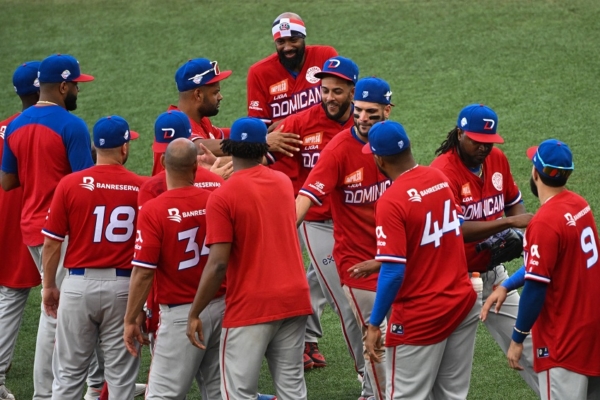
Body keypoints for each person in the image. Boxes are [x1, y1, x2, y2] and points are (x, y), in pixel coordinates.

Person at [187, 117, 312, 400]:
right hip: (294, 298)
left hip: (251, 305)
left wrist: (195, 311)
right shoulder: (281, 182)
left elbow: (218, 263)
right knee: (293, 389)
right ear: (262, 150)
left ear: (229, 149)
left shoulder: (222, 196)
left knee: (238, 393)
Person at [0, 53, 98, 400]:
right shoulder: (71, 126)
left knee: (60, 308)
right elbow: (86, 185)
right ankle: (46, 393)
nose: (77, 92)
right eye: (75, 86)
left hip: (31, 229)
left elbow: (8, 181)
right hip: (62, 232)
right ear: (62, 86)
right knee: (58, 314)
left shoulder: (16, 125)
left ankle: (97, 384)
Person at [361, 120, 479, 400]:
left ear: (379, 158)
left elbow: (394, 272)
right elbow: (437, 235)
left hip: (421, 315)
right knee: (452, 396)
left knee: (405, 396)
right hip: (462, 302)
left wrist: (375, 323)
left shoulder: (390, 201)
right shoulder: (438, 178)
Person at [246, 12, 337, 369]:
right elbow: (255, 125)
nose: (286, 47)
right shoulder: (260, 73)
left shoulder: (324, 55)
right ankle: (298, 340)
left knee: (316, 266)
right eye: (280, 42)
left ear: (304, 38)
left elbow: (336, 97)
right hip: (283, 177)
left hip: (321, 172)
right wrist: (269, 136)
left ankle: (307, 339)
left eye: (292, 40)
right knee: (291, 262)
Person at [273, 55, 371, 389]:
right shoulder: (301, 122)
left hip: (361, 223)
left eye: (337, 91)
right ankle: (366, 376)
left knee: (376, 296)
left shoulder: (366, 125)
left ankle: (307, 337)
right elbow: (264, 160)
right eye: (325, 90)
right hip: (317, 224)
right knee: (347, 301)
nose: (329, 97)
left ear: (353, 92)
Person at [296, 77, 396, 400]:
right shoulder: (338, 150)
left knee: (397, 325)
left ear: (387, 111)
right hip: (355, 261)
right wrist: (282, 238)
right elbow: (307, 196)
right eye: (359, 110)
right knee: (364, 324)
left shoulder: (392, 144)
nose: (363, 117)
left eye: (371, 111)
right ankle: (369, 387)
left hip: (390, 254)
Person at [429, 104, 538, 394]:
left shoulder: (496, 159)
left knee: (532, 346)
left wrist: (514, 227)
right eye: (477, 140)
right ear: (460, 133)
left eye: (489, 142)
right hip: (454, 281)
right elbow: (456, 230)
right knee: (445, 371)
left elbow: (513, 200)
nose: (484, 147)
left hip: (495, 275)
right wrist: (509, 222)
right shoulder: (441, 172)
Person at [481, 139, 600, 400]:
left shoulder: (544, 222)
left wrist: (517, 338)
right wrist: (507, 284)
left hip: (564, 338)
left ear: (536, 173)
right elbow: (549, 264)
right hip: (592, 330)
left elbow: (536, 287)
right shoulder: (580, 206)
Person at [41, 115, 143, 399]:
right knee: (121, 381)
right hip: (124, 289)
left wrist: (49, 285)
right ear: (124, 148)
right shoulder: (140, 187)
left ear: (95, 149)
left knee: (69, 375)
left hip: (77, 286)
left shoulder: (70, 184)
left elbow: (51, 243)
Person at [124, 138, 223, 399]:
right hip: (222, 306)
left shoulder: (154, 209)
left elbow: (144, 271)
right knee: (218, 390)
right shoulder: (216, 199)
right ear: (195, 167)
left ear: (163, 162)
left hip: (181, 314)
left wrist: (131, 318)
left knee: (162, 395)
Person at [0, 61, 42, 400]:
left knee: (9, 296)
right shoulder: (45, 126)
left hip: (5, 217)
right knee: (63, 300)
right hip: (30, 219)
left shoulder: (2, 126)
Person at [152, 58, 233, 179]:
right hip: (168, 195)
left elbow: (229, 135)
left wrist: (261, 130)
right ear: (198, 94)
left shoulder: (201, 120)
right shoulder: (173, 123)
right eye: (215, 92)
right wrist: (247, 146)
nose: (221, 97)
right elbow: (195, 146)